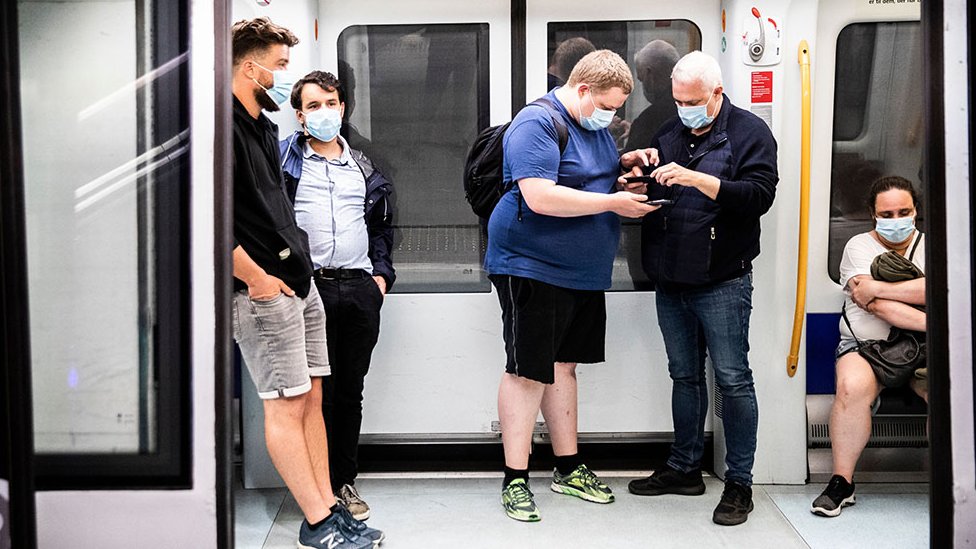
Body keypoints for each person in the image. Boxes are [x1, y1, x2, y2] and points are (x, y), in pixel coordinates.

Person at [486, 49, 660, 522]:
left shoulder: (594, 128)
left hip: (583, 270)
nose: (612, 114)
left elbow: (593, 176)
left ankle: (567, 467)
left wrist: (628, 167)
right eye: (607, 105)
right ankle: (515, 478)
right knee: (527, 370)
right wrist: (613, 206)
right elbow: (540, 196)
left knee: (564, 366)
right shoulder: (536, 123)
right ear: (582, 90)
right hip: (531, 265)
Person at [230, 18, 382, 549]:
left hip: (302, 284)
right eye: (278, 66)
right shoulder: (220, 127)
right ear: (250, 67)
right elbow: (204, 217)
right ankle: (317, 524)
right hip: (266, 287)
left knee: (316, 397)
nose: (281, 75)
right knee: (286, 403)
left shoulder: (259, 127)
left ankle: (328, 506)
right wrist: (256, 278)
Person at [623, 50, 778, 526]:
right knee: (684, 376)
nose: (683, 108)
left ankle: (739, 483)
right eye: (677, 99)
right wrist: (633, 171)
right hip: (670, 278)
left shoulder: (750, 132)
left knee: (732, 379)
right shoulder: (668, 130)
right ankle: (684, 467)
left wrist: (700, 179)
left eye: (692, 101)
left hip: (722, 280)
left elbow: (759, 196)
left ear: (717, 94)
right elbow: (648, 187)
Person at [280, 70, 395, 522]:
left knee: (349, 393)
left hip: (360, 291)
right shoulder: (285, 166)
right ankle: (316, 489)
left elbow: (382, 228)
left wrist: (380, 278)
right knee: (311, 394)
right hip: (310, 291)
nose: (324, 113)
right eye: (313, 106)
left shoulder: (365, 168)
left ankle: (343, 482)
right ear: (300, 116)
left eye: (330, 103)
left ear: (342, 108)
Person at [811, 175, 927, 517]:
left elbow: (880, 293)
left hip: (923, 345)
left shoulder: (932, 244)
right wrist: (932, 312)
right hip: (867, 346)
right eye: (887, 215)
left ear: (916, 211)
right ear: (872, 215)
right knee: (850, 388)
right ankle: (841, 483)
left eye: (903, 212)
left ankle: (952, 478)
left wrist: (880, 287)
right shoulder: (859, 246)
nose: (896, 221)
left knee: (949, 392)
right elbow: (872, 305)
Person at [625, 40, 680, 150]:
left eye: (641, 80)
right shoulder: (689, 105)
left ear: (649, 75)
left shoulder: (648, 121)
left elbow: (631, 158)